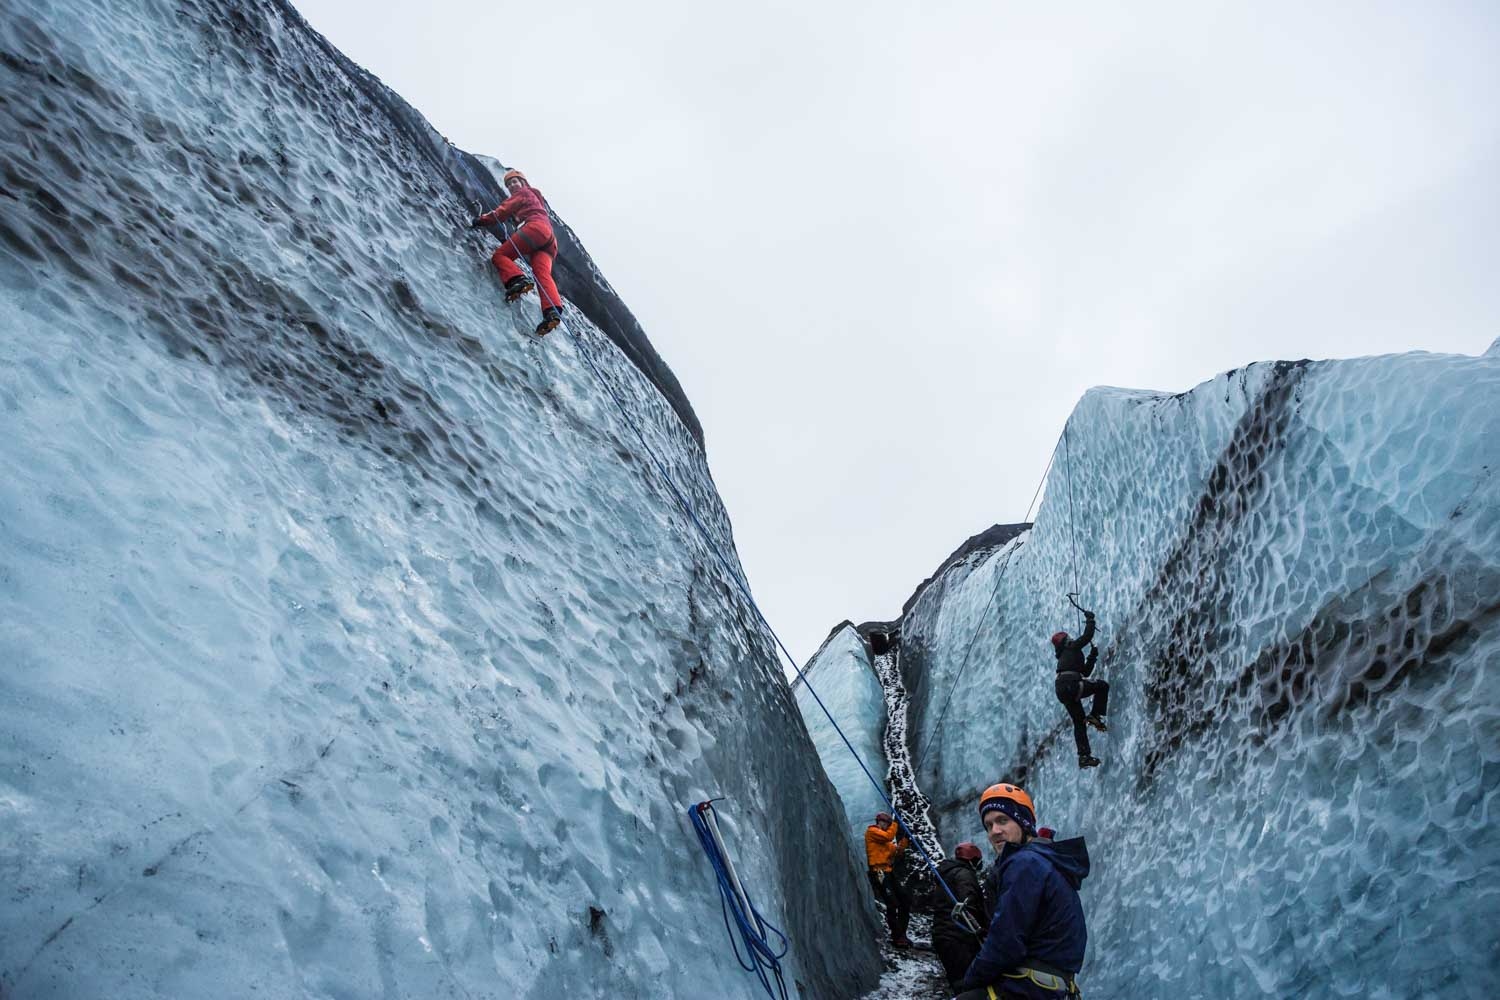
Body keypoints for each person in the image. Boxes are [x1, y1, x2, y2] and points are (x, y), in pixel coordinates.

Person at [954, 783, 1090, 999]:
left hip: (1031, 986)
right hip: (1054, 986)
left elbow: (1006, 940)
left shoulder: (1024, 862)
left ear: (1023, 822)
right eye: (988, 825)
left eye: (1002, 820)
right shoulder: (1045, 860)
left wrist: (970, 981)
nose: (994, 832)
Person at [470, 169, 565, 336]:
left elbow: (501, 212)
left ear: (523, 183)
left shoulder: (523, 193)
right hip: (550, 242)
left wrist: (480, 220)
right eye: (509, 184)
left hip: (535, 229)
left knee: (500, 256)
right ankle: (552, 311)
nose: (512, 186)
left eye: (515, 182)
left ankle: (517, 279)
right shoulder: (536, 198)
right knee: (542, 274)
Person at [1050, 607, 1109, 769]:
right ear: (1065, 641)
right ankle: (1096, 715)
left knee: (1079, 722)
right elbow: (1087, 636)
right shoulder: (1070, 647)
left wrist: (1092, 655)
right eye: (1068, 638)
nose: (1071, 639)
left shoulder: (1064, 656)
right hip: (1071, 684)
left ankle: (1084, 756)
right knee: (1102, 686)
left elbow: (1085, 672)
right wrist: (1090, 619)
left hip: (1062, 689)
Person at [928, 842, 986, 986]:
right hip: (958, 936)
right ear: (972, 860)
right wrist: (981, 930)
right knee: (966, 980)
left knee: (956, 979)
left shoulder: (946, 874)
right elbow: (969, 905)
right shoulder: (964, 874)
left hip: (943, 933)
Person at [864, 811, 913, 948]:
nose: (884, 825)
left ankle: (901, 934)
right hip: (878, 872)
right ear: (878, 822)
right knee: (892, 903)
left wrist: (905, 840)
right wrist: (896, 824)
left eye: (886, 823)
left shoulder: (885, 842)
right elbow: (888, 836)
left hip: (887, 872)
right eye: (883, 822)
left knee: (904, 900)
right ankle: (897, 936)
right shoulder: (872, 832)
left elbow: (896, 851)